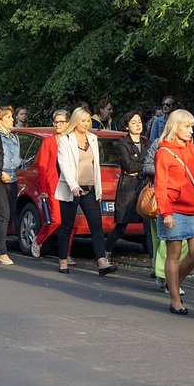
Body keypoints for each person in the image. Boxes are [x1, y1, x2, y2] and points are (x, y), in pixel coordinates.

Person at [154, 109, 194, 312]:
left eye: (191, 126)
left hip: (193, 209)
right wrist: (165, 212)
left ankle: (173, 282)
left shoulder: (193, 149)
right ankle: (175, 299)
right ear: (175, 126)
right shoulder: (164, 152)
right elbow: (161, 186)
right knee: (173, 254)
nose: (191, 130)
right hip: (173, 210)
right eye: (186, 126)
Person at [55, 107, 117, 277]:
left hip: (90, 188)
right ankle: (62, 260)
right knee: (67, 225)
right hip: (72, 189)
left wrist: (99, 188)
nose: (86, 124)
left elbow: (95, 165)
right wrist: (73, 186)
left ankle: (102, 261)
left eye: (88, 120)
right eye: (83, 120)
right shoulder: (66, 140)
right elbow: (64, 166)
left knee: (96, 225)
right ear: (76, 121)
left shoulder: (93, 138)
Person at [106, 111, 152, 260]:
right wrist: (143, 168)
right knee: (122, 225)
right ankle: (106, 252)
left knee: (148, 227)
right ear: (126, 126)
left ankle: (154, 263)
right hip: (128, 188)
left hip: (145, 186)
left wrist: (140, 168)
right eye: (133, 122)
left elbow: (150, 163)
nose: (138, 125)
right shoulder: (123, 143)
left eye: (139, 121)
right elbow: (129, 166)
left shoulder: (147, 142)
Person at [32, 109, 69, 257]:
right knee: (56, 220)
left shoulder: (71, 140)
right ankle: (38, 240)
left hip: (69, 185)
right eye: (56, 122)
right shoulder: (49, 141)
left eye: (61, 122)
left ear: (68, 123)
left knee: (69, 222)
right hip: (53, 184)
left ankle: (66, 253)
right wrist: (43, 188)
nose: (58, 124)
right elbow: (42, 166)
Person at [0, 106, 20, 265]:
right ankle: (2, 253)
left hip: (13, 178)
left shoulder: (14, 137)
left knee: (10, 214)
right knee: (3, 213)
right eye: (8, 117)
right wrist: (0, 173)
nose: (12, 120)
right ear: (0, 120)